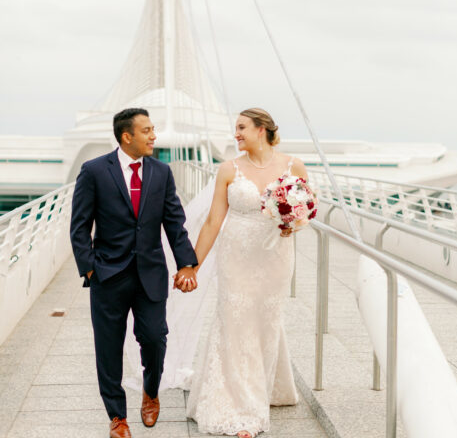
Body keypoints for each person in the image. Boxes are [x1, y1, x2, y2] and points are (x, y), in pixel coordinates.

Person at [178, 107, 307, 438]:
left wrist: (292, 222)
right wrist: (192, 265)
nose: (236, 134)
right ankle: (242, 408)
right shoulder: (228, 169)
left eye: (241, 127)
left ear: (261, 129)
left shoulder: (294, 166)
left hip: (275, 256)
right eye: (236, 128)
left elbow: (306, 208)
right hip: (235, 256)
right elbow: (212, 222)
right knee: (236, 323)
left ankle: (269, 386)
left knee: (266, 320)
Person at [70, 108, 198, 438]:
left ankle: (151, 392)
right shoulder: (94, 171)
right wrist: (90, 269)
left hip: (151, 274)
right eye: (147, 130)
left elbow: (174, 222)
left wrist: (187, 263)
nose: (154, 135)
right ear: (127, 136)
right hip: (107, 276)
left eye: (153, 128)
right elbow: (80, 227)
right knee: (108, 348)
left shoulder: (161, 172)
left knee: (155, 339)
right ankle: (117, 417)